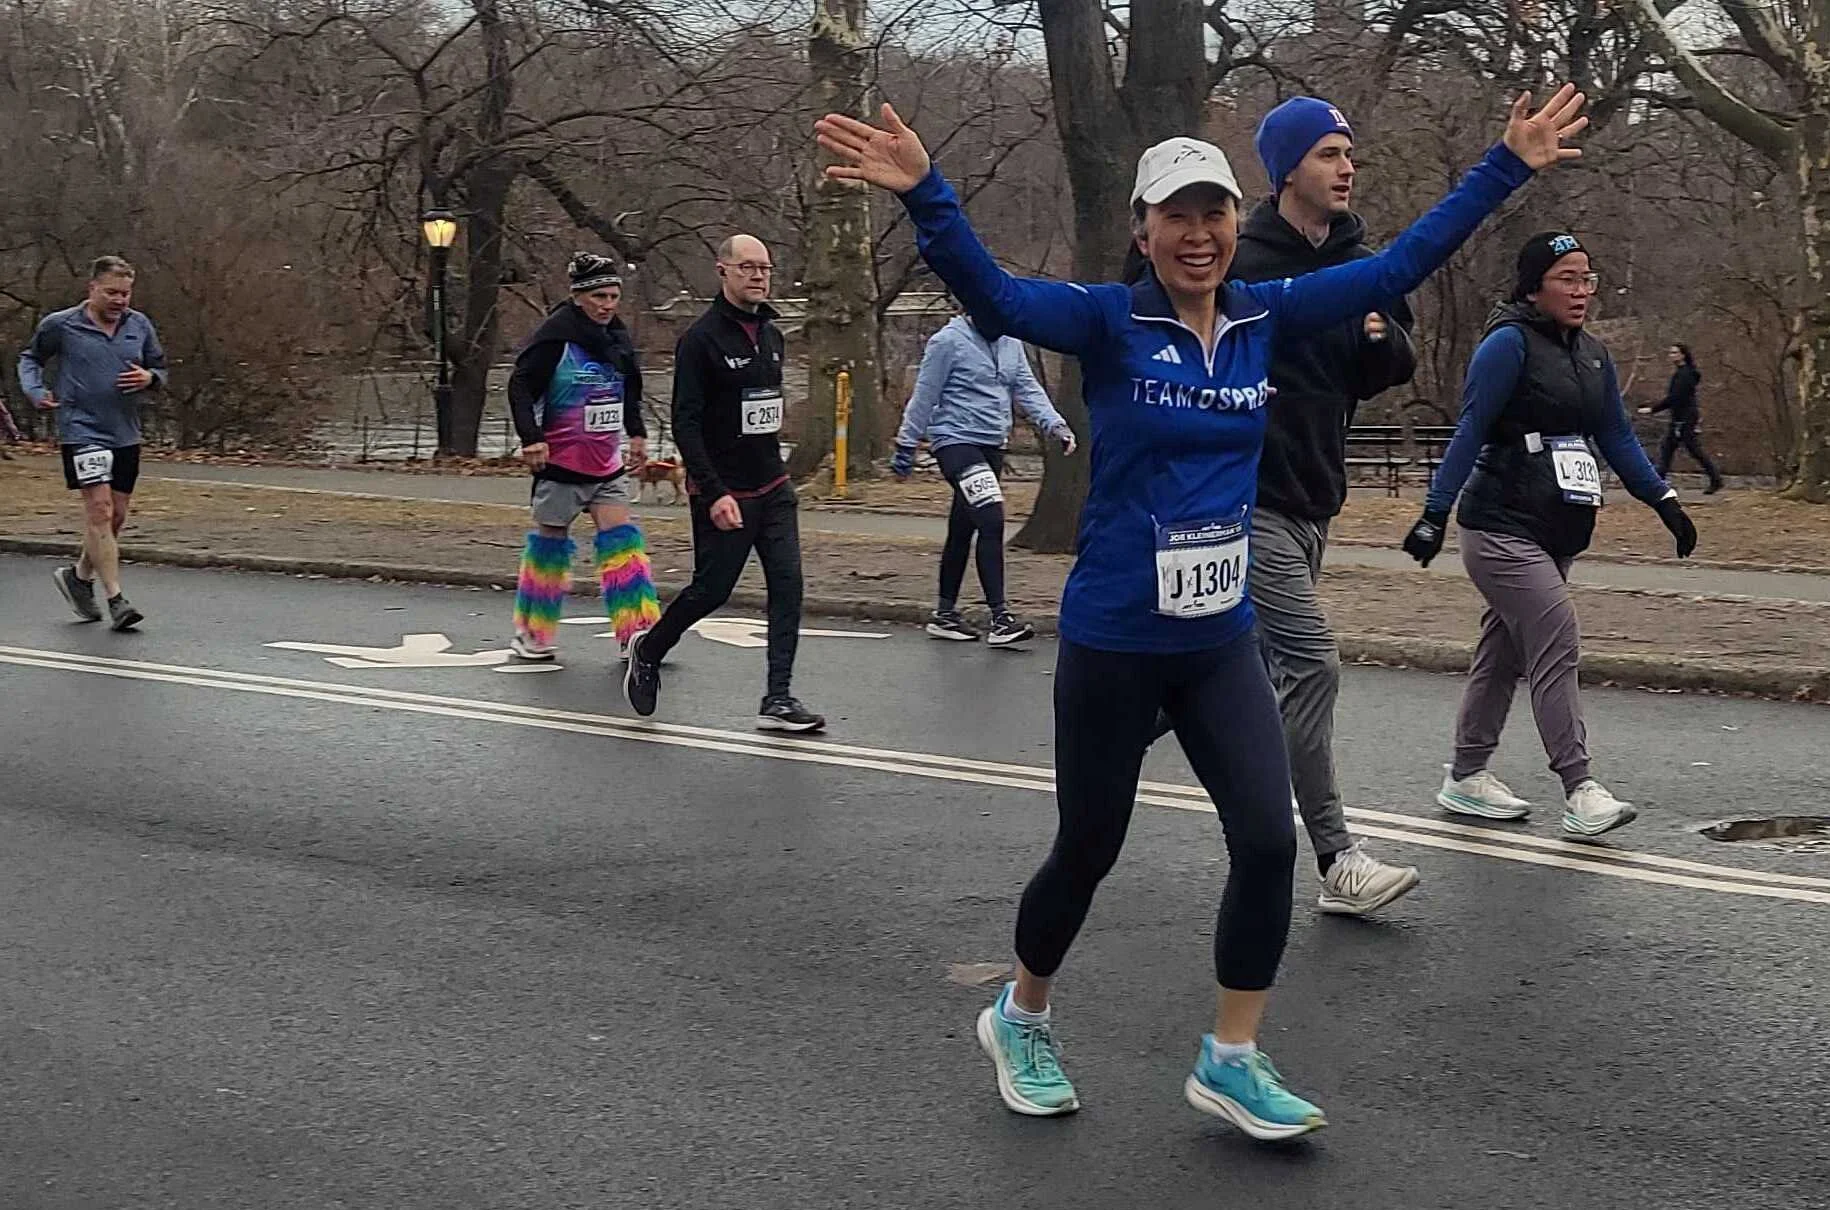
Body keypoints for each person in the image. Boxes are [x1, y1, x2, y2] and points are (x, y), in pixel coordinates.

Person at [818, 86, 1587, 1139]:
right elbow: (993, 294)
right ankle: (1021, 1013)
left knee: (1268, 843)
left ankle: (1231, 1056)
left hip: (1219, 639)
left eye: (1214, 212)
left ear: (1235, 220)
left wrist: (1506, 164)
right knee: (1087, 850)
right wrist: (928, 194)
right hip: (1117, 640)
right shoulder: (1106, 320)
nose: (1199, 234)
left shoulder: (1264, 316)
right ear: (1144, 232)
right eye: (1175, 215)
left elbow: (1398, 267)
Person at [1148, 96, 1424, 916]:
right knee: (1310, 664)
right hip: (1246, 498)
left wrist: (1377, 337)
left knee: (1234, 666)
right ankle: (1336, 858)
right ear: (1286, 170)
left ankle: (1116, 723)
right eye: (1329, 154)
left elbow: (1394, 361)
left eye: (1350, 154)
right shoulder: (1243, 257)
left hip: (1314, 495)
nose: (1347, 169)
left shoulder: (1359, 258)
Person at [1402, 232, 1698, 841]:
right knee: (1556, 633)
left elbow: (1616, 436)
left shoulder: (1593, 355)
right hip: (1498, 526)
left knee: (1502, 652)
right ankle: (1579, 787)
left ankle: (1466, 774)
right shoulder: (1507, 345)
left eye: (1587, 278)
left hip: (1555, 528)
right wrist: (1434, 513)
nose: (1581, 290)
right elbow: (1470, 429)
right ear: (1533, 287)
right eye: (1567, 278)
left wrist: (1663, 500)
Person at [623, 235, 824, 733]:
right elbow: (686, 423)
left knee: (789, 587)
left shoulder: (772, 335)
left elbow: (764, 411)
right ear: (723, 271)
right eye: (747, 267)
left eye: (765, 268)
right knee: (712, 590)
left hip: (772, 486)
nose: (758, 276)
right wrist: (714, 492)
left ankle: (778, 698)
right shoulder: (701, 339)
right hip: (724, 492)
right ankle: (649, 649)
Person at [504, 252, 660, 664]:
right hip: (560, 464)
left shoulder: (617, 338)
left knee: (622, 543)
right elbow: (519, 387)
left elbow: (629, 391)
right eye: (598, 297)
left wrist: (637, 434)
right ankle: (533, 633)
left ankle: (637, 632)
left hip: (606, 463)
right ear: (578, 296)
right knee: (550, 548)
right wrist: (531, 438)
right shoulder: (555, 338)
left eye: (613, 297)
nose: (607, 305)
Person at [892, 310, 1076, 646]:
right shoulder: (947, 342)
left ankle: (944, 615)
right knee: (991, 519)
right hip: (956, 442)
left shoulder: (1010, 342)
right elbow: (925, 394)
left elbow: (1026, 387)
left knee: (963, 527)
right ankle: (1001, 618)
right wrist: (906, 443)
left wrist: (1055, 424)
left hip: (993, 443)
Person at [18, 255, 167, 631]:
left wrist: (149, 378)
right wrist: (35, 391)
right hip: (81, 430)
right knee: (99, 510)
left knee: (116, 516)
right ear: (92, 289)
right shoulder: (62, 325)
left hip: (124, 432)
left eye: (125, 294)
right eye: (111, 293)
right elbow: (30, 358)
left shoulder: (139, 325)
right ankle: (117, 599)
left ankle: (78, 576)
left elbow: (160, 368)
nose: (119, 301)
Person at [1639, 343, 1723, 493]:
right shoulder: (1682, 373)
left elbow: (1675, 398)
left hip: (1685, 418)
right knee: (1668, 448)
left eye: (1674, 352)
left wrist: (1652, 409)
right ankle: (1658, 482)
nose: (1671, 355)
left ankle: (1716, 479)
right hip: (1680, 416)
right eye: (1671, 352)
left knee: (1691, 449)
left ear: (1683, 355)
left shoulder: (1685, 375)